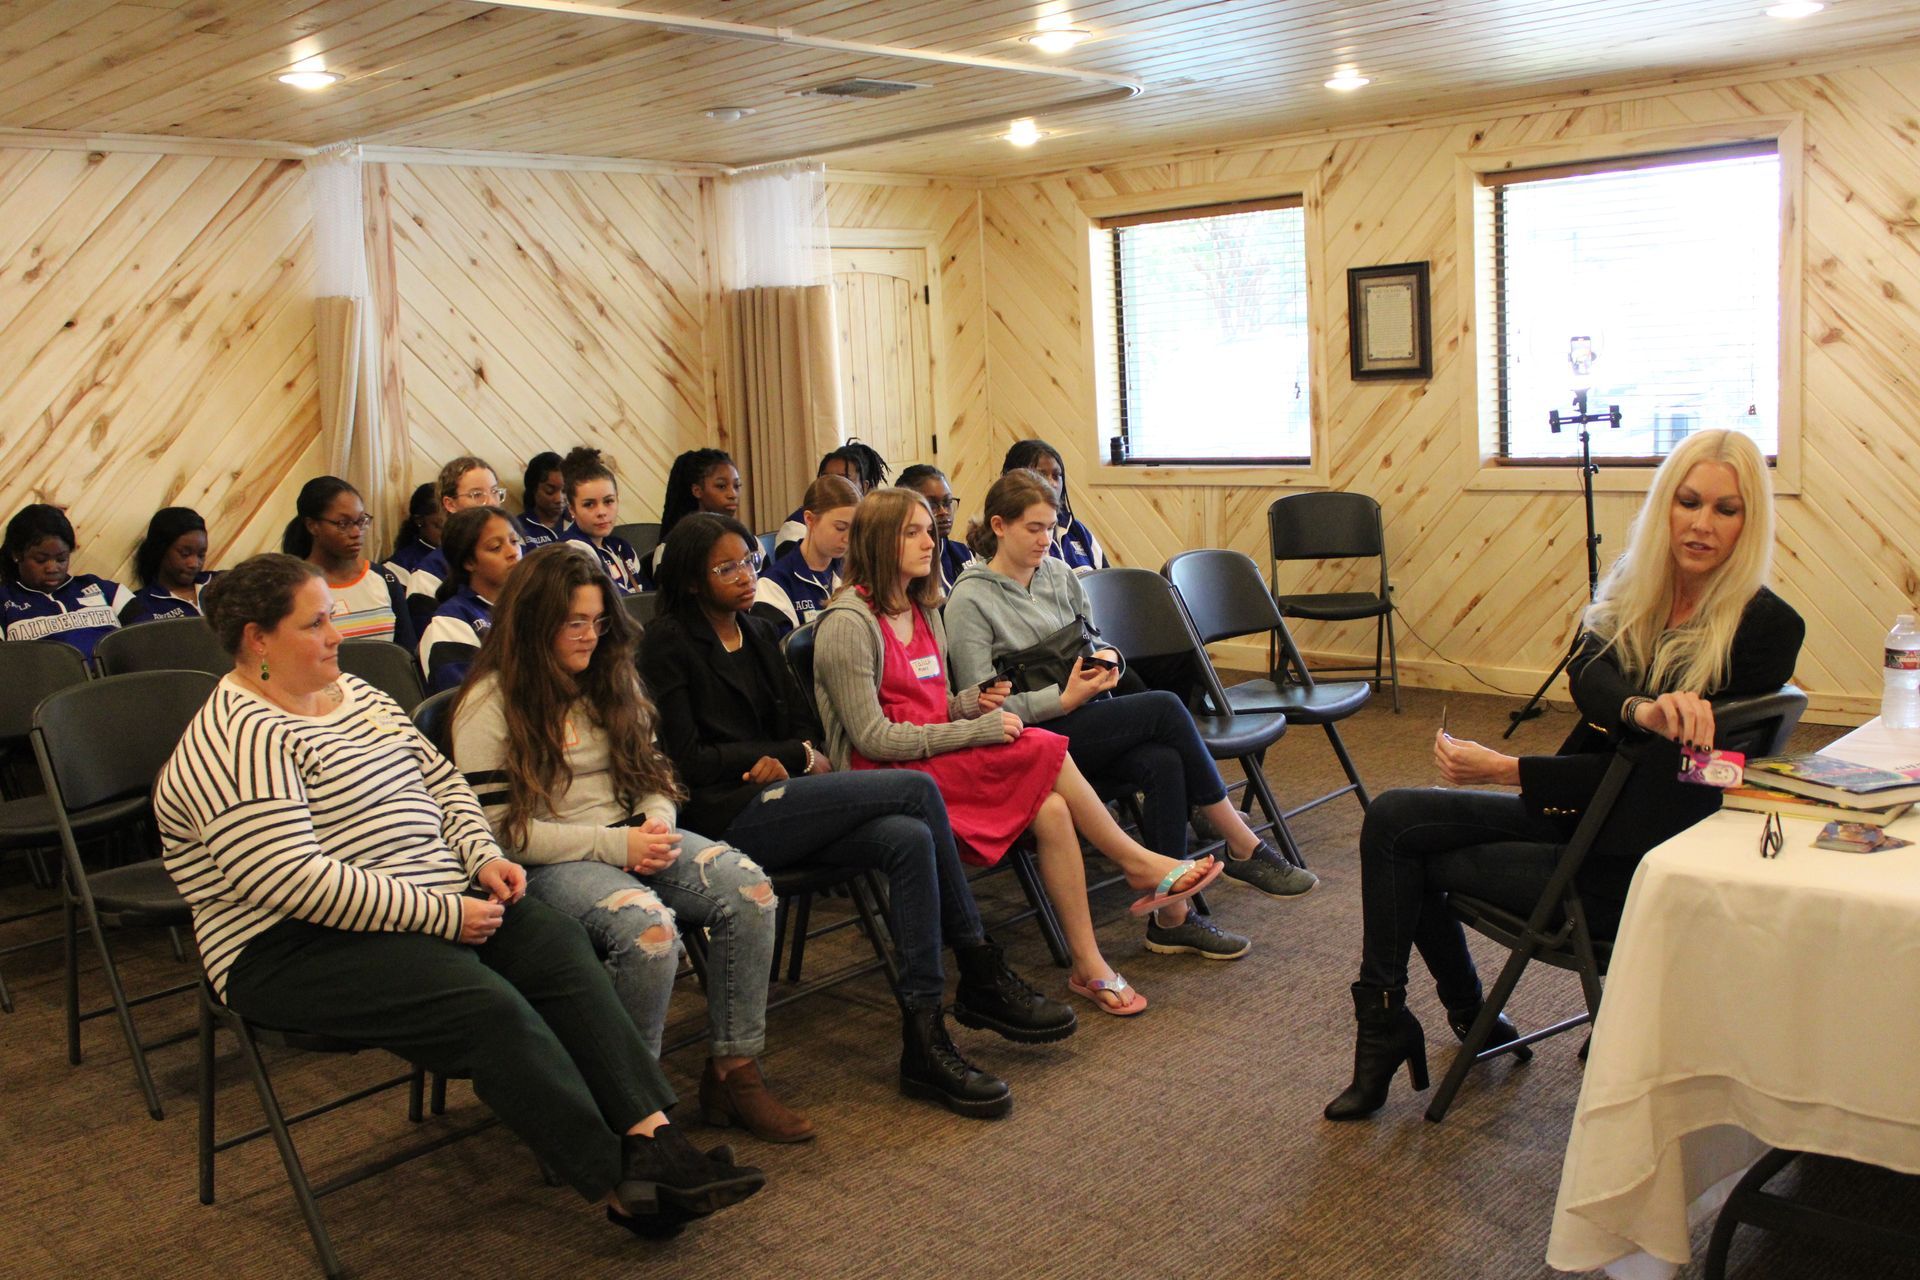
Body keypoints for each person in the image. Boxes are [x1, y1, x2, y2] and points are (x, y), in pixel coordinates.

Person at [153, 553, 764, 1240]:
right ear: (257, 639)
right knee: (487, 1006)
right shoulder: (236, 737)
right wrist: (444, 913)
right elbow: (295, 881)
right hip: (291, 945)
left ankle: (657, 1141)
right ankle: (623, 1184)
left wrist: (481, 856)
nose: (336, 634)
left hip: (427, 899)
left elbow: (443, 786)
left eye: (332, 617)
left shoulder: (358, 696)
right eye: (315, 623)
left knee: (557, 946)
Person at [1324, 429, 1805, 1121]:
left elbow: (1684, 781)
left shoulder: (1765, 627)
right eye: (1689, 501)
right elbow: (1587, 674)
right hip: (1580, 816)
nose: (1702, 524)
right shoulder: (1639, 586)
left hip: (1622, 866)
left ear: (1748, 521)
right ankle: (1409, 1019)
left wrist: (1509, 769)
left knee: (1408, 853)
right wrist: (1641, 710)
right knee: (1393, 815)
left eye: (1725, 510)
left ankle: (1427, 1024)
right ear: (1665, 505)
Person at [641, 513, 1075, 1118]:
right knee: (915, 793)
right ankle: (978, 965)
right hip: (722, 816)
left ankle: (924, 1035)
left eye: (748, 561)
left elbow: (803, 727)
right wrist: (778, 756)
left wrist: (789, 756)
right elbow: (686, 759)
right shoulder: (666, 645)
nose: (745, 575)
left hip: (787, 794)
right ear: (692, 580)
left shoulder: (757, 632)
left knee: (907, 836)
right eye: (726, 568)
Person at [812, 488, 1223, 1017]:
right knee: (1038, 742)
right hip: (885, 776)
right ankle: (1137, 862)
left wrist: (970, 704)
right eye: (911, 532)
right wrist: (974, 730)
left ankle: (1088, 962)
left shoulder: (922, 608)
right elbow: (872, 739)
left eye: (929, 531)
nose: (929, 542)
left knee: (1052, 809)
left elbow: (933, 706)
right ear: (875, 541)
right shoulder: (848, 623)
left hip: (930, 757)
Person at [450, 545, 809, 1143]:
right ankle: (632, 1108)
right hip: (549, 860)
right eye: (573, 623)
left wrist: (658, 821)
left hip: (633, 836)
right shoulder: (488, 702)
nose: (590, 637)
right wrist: (620, 847)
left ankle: (734, 1073)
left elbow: (655, 773)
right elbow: (502, 833)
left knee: (750, 891)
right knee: (650, 932)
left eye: (597, 621)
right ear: (533, 621)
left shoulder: (609, 677)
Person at [945, 469, 1317, 961]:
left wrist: (1111, 660)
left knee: (1163, 760)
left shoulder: (1057, 574)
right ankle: (1240, 842)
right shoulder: (971, 599)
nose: (1045, 539)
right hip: (1034, 737)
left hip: (1084, 720)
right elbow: (980, 707)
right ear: (999, 525)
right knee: (1164, 706)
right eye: (1033, 528)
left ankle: (1172, 919)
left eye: (1050, 527)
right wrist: (1061, 700)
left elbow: (1094, 640)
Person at [281, 476, 416, 652]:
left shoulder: (384, 579)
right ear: (312, 526)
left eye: (361, 521)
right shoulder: (293, 587)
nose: (356, 532)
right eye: (343, 524)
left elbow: (405, 655)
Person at [0, 504, 131, 658]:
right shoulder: (4, 600)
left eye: (61, 559)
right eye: (41, 560)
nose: (52, 568)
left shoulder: (108, 592)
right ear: (17, 555)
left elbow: (148, 637)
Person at [419, 506, 522, 694]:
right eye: (496, 547)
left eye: (514, 541)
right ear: (469, 562)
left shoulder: (530, 606)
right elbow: (464, 699)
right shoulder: (451, 621)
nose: (513, 552)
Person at [752, 474, 855, 638]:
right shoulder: (774, 584)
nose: (848, 538)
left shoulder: (853, 572)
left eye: (854, 528)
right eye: (840, 528)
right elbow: (784, 650)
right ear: (809, 519)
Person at [408, 456, 508, 602]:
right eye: (477, 495)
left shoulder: (515, 553)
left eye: (494, 491)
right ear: (450, 504)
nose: (492, 502)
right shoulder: (429, 573)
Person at [1002, 439, 1108, 574]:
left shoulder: (1077, 531)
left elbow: (1107, 582)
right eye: (1041, 475)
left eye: (1056, 475)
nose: (1052, 483)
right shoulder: (1005, 536)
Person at [560, 446, 647, 594]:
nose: (601, 512)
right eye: (589, 504)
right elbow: (613, 600)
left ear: (617, 500)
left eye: (608, 501)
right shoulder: (572, 550)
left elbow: (649, 599)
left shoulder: (622, 547)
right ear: (572, 509)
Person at [774, 441, 890, 552]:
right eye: (826, 478)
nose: (832, 485)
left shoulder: (870, 524)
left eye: (844, 479)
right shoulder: (796, 528)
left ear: (864, 487)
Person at [120, 507, 218, 624]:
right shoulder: (141, 605)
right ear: (160, 550)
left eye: (201, 555)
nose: (194, 563)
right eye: (185, 554)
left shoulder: (222, 582)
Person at [655, 449, 741, 576]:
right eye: (721, 486)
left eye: (737, 486)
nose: (733, 494)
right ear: (697, 491)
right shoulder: (671, 549)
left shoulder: (747, 539)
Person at [897, 463, 973, 593]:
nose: (943, 511)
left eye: (947, 503)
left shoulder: (962, 552)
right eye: (932, 505)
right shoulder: (906, 563)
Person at [384, 484, 443, 582]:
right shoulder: (399, 566)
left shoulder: (462, 556)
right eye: (440, 526)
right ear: (419, 520)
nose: (449, 531)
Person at [519, 451, 571, 549]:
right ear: (533, 488)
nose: (559, 499)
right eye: (549, 491)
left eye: (564, 491)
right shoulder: (519, 528)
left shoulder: (578, 522)